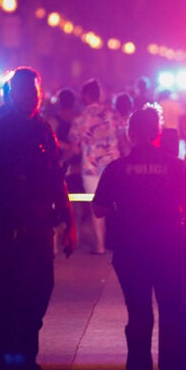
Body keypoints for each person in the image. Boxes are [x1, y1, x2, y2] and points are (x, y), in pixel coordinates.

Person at [92, 105, 186, 370]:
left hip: (131, 252)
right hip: (170, 249)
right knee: (175, 315)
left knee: (139, 316)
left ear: (131, 134)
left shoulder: (117, 168)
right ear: (158, 133)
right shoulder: (175, 167)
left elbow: (98, 209)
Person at [0, 66, 77, 370]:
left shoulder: (44, 129)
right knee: (8, 302)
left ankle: (27, 369)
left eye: (35, 92)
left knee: (37, 296)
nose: (32, 97)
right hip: (10, 224)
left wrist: (70, 221)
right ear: (12, 94)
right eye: (25, 92)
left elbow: (56, 178)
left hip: (39, 226)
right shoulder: (0, 129)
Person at [67, 79, 121, 255]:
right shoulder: (112, 114)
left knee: (96, 206)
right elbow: (123, 136)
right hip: (113, 165)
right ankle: (116, 240)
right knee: (114, 204)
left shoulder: (81, 119)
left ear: (84, 96)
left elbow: (74, 144)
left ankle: (100, 245)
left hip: (90, 167)